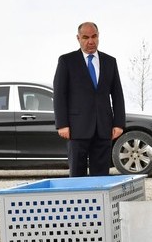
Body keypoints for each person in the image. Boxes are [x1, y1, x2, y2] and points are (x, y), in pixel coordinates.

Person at [53, 22, 126, 176]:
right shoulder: (66, 61)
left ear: (98, 36)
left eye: (94, 36)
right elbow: (60, 94)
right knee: (77, 176)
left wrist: (119, 123)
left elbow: (117, 94)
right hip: (76, 128)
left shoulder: (110, 62)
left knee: (101, 176)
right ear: (78, 38)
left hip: (103, 128)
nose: (90, 41)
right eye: (85, 37)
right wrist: (62, 124)